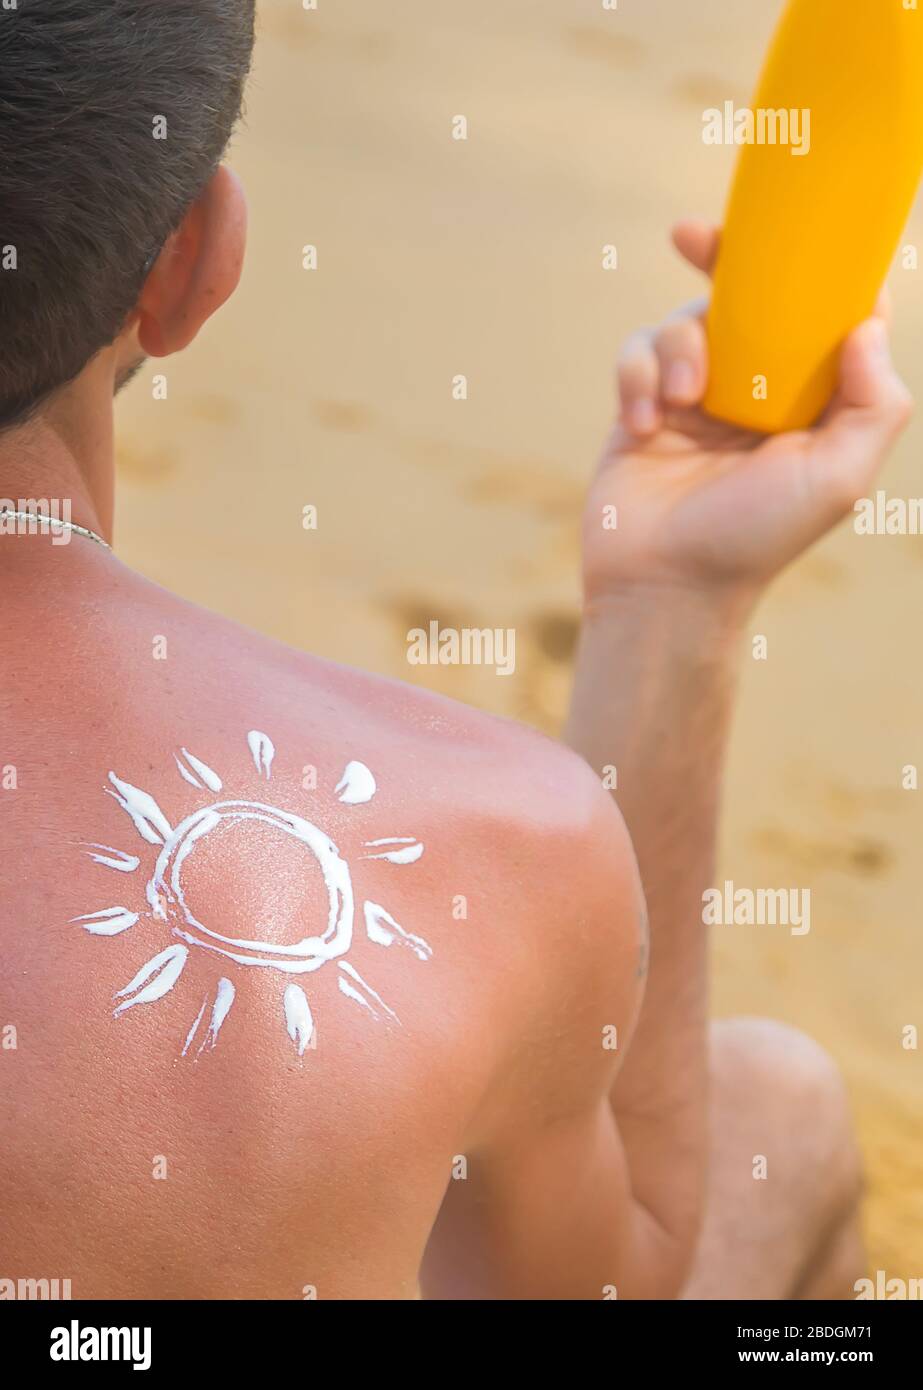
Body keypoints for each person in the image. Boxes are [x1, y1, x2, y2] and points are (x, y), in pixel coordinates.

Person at [0, 2, 911, 1300]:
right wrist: (674, 602)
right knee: (780, 1118)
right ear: (189, 265)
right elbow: (612, 1275)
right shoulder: (487, 854)